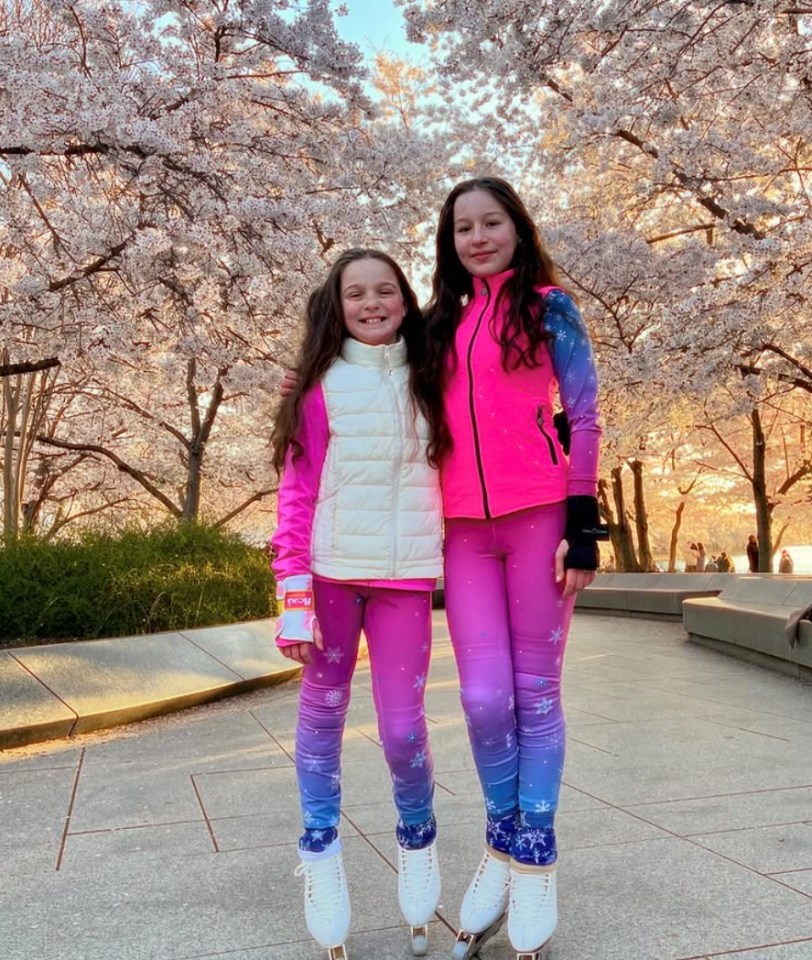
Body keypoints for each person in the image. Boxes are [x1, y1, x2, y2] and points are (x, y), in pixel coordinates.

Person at [422, 177, 605, 960]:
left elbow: (586, 412)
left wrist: (582, 523)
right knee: (481, 696)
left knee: (535, 693)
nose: (477, 237)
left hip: (538, 521)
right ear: (449, 242)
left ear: (516, 228)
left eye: (491, 221)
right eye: (463, 227)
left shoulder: (549, 307)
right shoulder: (440, 326)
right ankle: (500, 842)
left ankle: (535, 859)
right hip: (464, 532)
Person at [270, 249, 444, 960]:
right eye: (355, 294)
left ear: (406, 299)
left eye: (385, 291)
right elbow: (295, 492)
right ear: (335, 306)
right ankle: (320, 857)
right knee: (322, 718)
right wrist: (292, 592)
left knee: (403, 732)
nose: (372, 304)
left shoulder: (436, 375)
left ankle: (419, 841)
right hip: (332, 574)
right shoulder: (314, 387)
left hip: (405, 579)